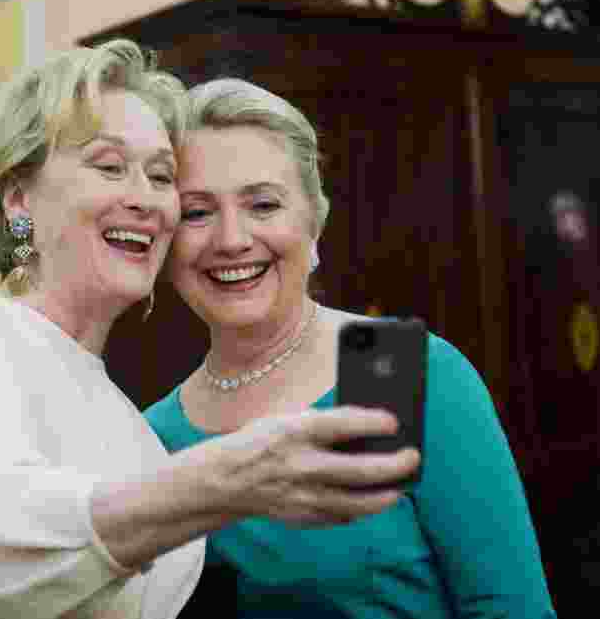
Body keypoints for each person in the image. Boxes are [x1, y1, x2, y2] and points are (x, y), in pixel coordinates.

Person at [0, 41, 420, 619]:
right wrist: (232, 480)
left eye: (159, 175)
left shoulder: (135, 427)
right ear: (18, 199)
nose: (146, 199)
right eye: (110, 166)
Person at [145, 78, 558, 618]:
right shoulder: (153, 437)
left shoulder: (396, 370)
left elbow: (511, 610)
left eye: (263, 205)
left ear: (313, 222)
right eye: (197, 212)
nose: (231, 239)